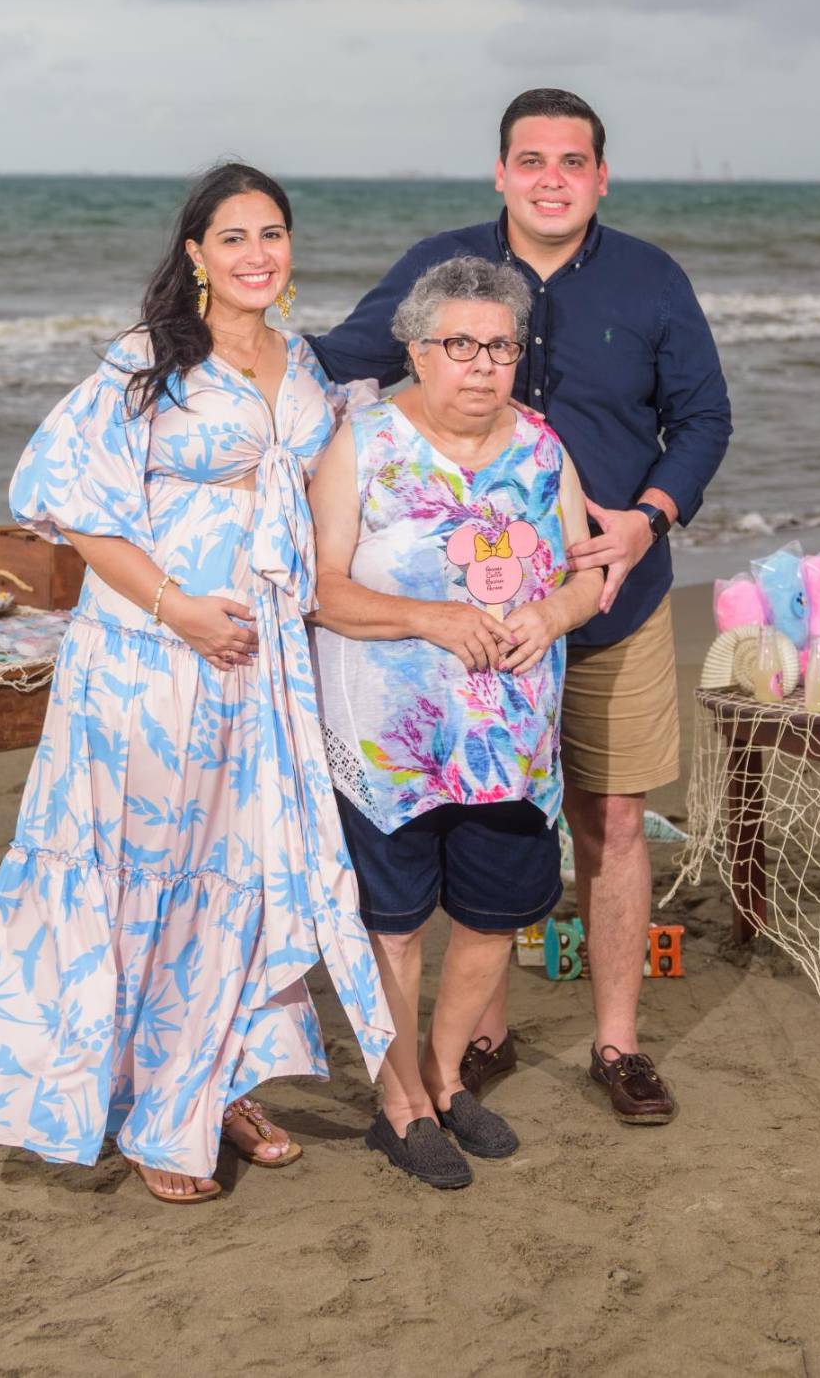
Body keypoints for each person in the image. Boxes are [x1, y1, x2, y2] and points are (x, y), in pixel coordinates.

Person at [0, 164, 392, 1204]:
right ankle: (149, 1103)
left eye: (273, 233)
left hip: (260, 671)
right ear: (196, 253)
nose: (258, 252)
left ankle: (217, 1084)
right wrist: (181, 612)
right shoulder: (147, 362)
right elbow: (74, 503)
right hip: (151, 661)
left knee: (238, 875)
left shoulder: (300, 364)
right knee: (139, 872)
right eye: (234, 235)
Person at [309, 90, 731, 1125]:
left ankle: (618, 1042)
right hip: (450, 643)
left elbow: (705, 416)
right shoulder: (438, 269)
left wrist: (647, 517)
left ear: (600, 176)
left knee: (613, 816)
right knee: (474, 815)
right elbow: (337, 360)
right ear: (499, 172)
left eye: (572, 161)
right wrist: (206, 358)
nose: (551, 177)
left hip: (610, 605)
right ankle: (479, 1042)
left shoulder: (652, 279)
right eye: (530, 159)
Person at [308, 256, 602, 1187]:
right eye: (460, 345)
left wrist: (554, 614)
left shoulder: (544, 450)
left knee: (486, 917)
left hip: (511, 742)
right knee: (393, 924)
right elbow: (320, 592)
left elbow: (589, 574)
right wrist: (430, 618)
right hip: (389, 743)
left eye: (501, 346)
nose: (482, 365)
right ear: (416, 350)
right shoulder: (364, 443)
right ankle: (398, 1106)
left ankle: (444, 1081)